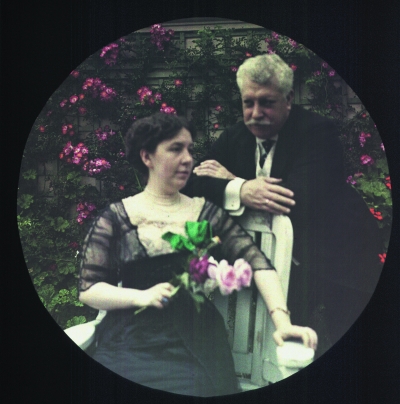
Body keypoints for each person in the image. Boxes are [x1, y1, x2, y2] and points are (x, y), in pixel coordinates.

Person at [78, 113, 317, 397]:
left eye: (190, 149)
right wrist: (139, 297)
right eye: (176, 149)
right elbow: (89, 289)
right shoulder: (116, 217)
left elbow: (259, 264)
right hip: (130, 338)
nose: (188, 158)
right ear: (147, 156)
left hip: (195, 341)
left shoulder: (204, 213)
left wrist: (283, 323)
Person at [183, 54, 382, 355]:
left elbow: (295, 197)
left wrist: (231, 180)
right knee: (288, 346)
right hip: (280, 258)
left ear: (288, 99)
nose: (255, 112)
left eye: (267, 102)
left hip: (339, 252)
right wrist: (242, 187)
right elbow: (194, 183)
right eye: (248, 102)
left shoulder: (318, 132)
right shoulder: (235, 136)